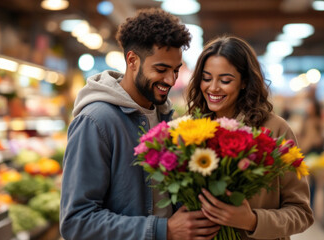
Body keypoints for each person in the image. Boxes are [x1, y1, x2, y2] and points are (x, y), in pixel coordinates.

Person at [60, 8, 219, 240]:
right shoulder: (96, 122)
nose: (171, 80)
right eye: (161, 69)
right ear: (132, 60)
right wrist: (164, 230)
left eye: (176, 71)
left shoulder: (165, 119)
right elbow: (77, 222)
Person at [186, 35, 314, 240]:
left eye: (225, 80)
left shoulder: (276, 130)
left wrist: (252, 221)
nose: (213, 88)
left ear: (245, 81)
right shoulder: (190, 129)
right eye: (206, 78)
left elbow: (302, 213)